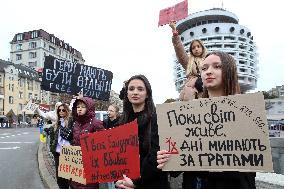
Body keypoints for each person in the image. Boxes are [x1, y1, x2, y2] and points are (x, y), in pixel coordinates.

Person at [157, 51, 256, 189]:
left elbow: (248, 169)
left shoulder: (246, 113)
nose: (208, 72)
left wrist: (200, 164)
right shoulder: (188, 116)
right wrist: (167, 158)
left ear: (229, 71)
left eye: (217, 66)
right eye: (204, 68)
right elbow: (175, 171)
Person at [115, 75, 170, 189]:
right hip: (126, 184)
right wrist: (117, 179)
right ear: (127, 94)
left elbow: (157, 155)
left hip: (153, 184)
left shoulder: (158, 119)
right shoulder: (120, 123)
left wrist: (136, 181)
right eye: (131, 89)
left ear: (147, 94)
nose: (135, 92)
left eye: (140, 89)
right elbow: (115, 156)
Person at [70, 97, 104, 189]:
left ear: (89, 108)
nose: (80, 109)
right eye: (78, 107)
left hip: (90, 166)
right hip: (77, 165)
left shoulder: (96, 123)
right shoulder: (76, 123)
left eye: (83, 107)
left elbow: (103, 146)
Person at [170, 21, 207, 101]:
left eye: (198, 46)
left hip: (206, 90)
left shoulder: (208, 60)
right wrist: (175, 32)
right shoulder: (189, 62)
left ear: (202, 48)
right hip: (190, 92)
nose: (196, 49)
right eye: (193, 48)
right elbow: (180, 51)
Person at [48, 103, 73, 189]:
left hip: (68, 153)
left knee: (69, 177)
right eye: (59, 110)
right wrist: (52, 148)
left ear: (67, 111)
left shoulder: (71, 122)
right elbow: (53, 137)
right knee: (60, 177)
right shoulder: (56, 123)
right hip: (58, 153)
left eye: (63, 110)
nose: (61, 112)